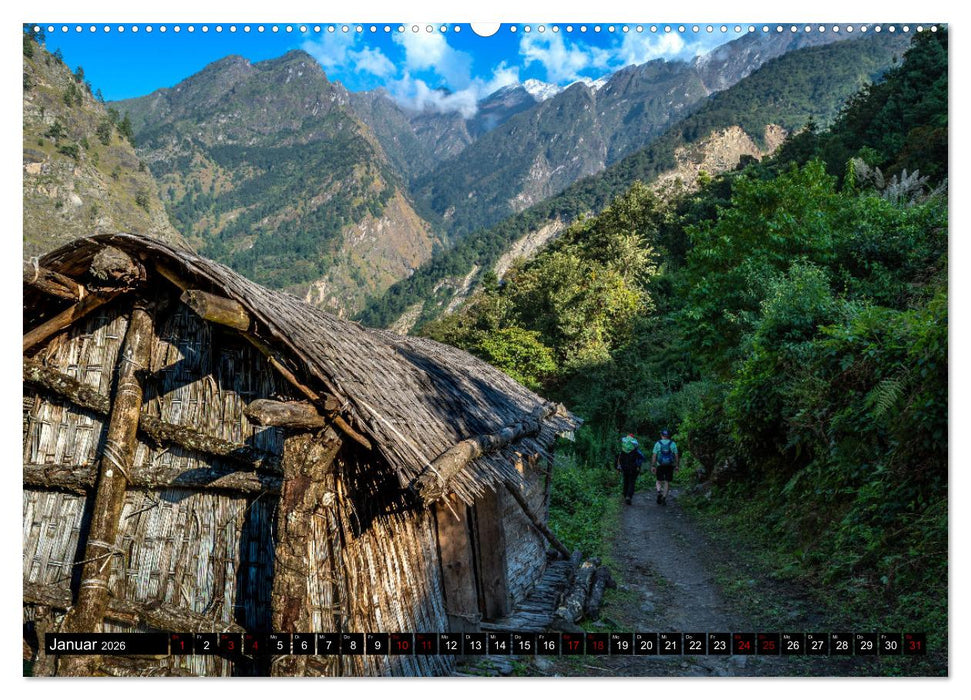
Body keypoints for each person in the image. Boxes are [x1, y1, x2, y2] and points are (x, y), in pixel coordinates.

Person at [651, 428, 679, 506]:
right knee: (667, 481)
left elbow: (654, 455)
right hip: (669, 466)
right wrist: (677, 465)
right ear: (668, 435)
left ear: (661, 435)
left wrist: (653, 466)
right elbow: (676, 455)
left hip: (660, 465)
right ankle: (664, 498)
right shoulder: (673, 444)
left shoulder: (657, 443)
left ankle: (659, 492)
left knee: (658, 480)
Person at [616, 433, 645, 505]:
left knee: (625, 480)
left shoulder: (623, 449)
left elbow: (619, 459)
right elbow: (642, 458)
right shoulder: (635, 450)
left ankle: (625, 494)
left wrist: (619, 467)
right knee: (632, 482)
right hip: (633, 468)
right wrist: (638, 465)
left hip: (624, 468)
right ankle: (629, 496)